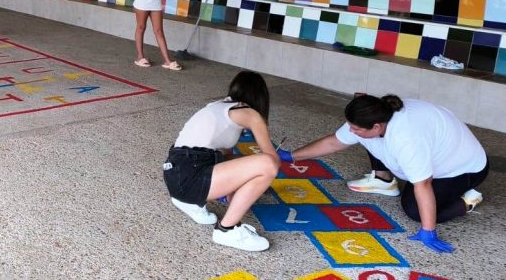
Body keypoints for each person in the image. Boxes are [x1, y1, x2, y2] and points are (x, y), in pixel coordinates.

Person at [279, 95, 488, 253]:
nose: (351, 131)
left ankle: (466, 201)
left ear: (377, 126)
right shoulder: (374, 114)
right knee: (367, 139)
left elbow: (423, 184)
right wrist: (292, 156)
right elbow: (334, 142)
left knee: (414, 210)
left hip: (463, 169)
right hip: (428, 156)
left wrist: (428, 230)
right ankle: (383, 180)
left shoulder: (406, 138)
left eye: (355, 128)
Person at [163, 70, 279, 251]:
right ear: (261, 97)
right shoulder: (251, 114)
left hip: (176, 174)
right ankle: (227, 229)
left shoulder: (219, 106)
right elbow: (272, 160)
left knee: (247, 162)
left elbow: (227, 160)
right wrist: (276, 162)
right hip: (191, 175)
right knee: (268, 164)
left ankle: (190, 203)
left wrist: (242, 191)